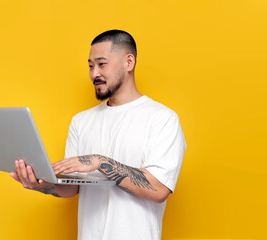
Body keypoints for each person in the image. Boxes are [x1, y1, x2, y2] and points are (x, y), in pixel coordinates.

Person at [10, 30, 186, 240]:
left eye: (102, 64)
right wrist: (44, 185)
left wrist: (100, 162)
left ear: (129, 62)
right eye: (90, 66)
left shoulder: (162, 118)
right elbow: (72, 188)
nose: (94, 74)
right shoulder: (81, 121)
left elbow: (159, 189)